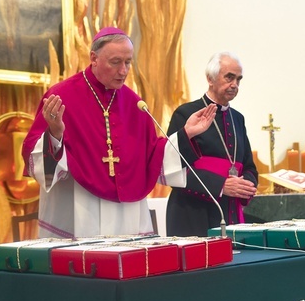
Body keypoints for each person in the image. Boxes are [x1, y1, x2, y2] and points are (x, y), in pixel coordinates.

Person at [22, 27, 217, 238]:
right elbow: (38, 161)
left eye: (128, 62)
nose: (123, 70)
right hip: (80, 213)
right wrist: (55, 133)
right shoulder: (61, 96)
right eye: (115, 62)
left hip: (127, 218)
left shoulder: (135, 104)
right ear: (94, 58)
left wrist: (186, 134)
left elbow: (151, 157)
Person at [165, 52, 258, 236]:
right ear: (210, 78)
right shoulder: (185, 113)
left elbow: (249, 167)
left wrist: (244, 185)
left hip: (230, 212)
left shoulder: (238, 118)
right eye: (229, 77)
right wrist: (222, 185)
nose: (235, 85)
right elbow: (174, 168)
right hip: (193, 213)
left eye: (238, 79)